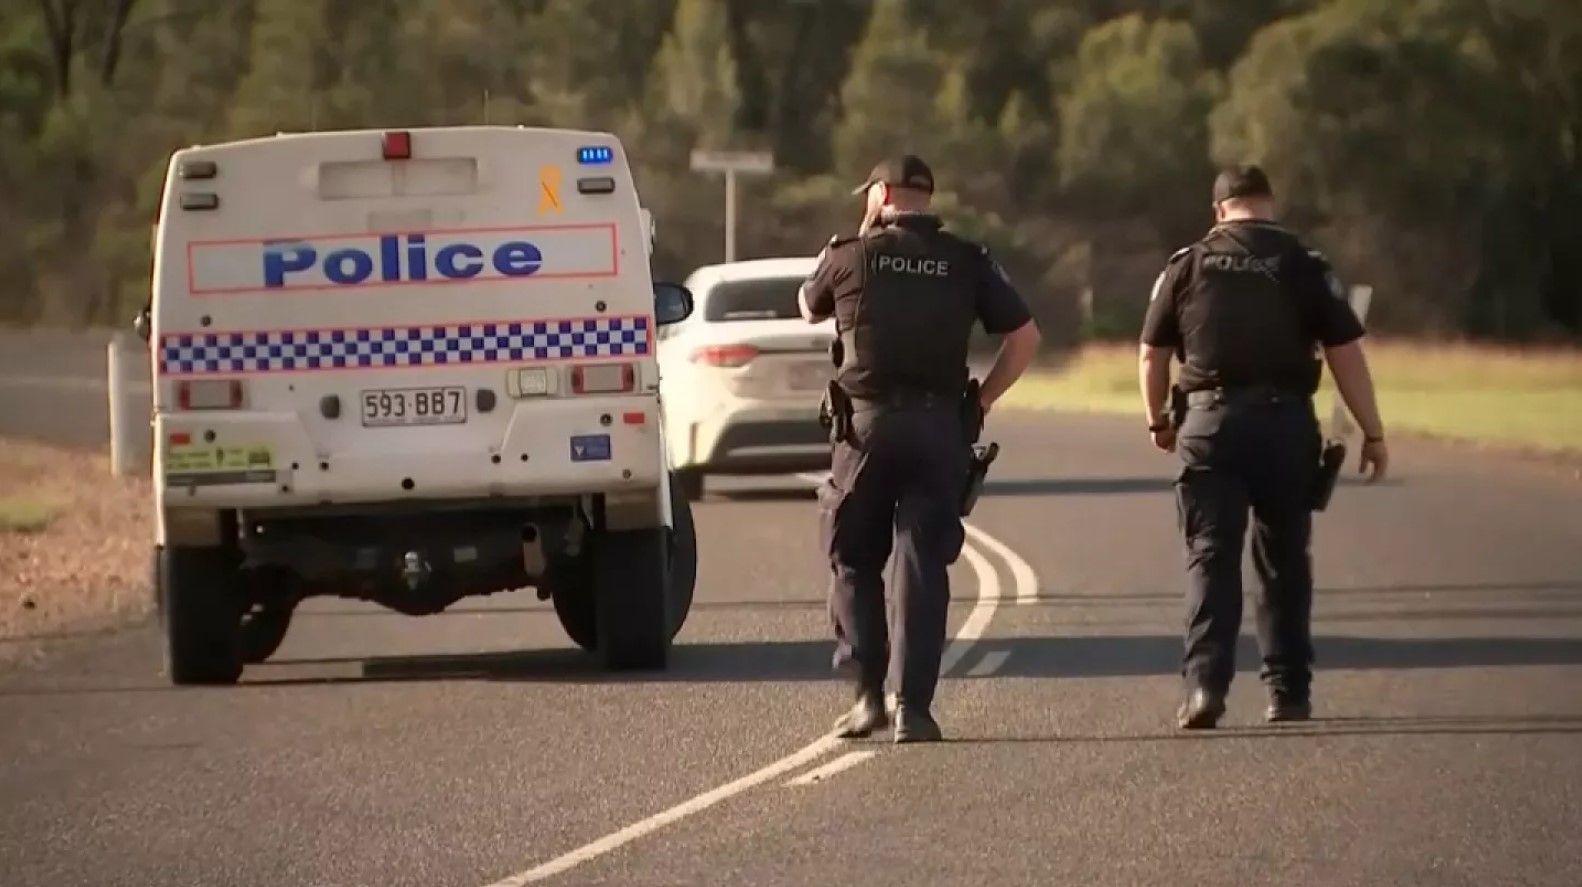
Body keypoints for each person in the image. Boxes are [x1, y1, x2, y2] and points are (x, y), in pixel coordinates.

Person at [798, 154, 1041, 743]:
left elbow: (808, 306)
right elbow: (1025, 338)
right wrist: (979, 402)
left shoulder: (849, 254)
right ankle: (914, 709)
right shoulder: (967, 260)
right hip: (939, 430)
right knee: (921, 563)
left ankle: (865, 700)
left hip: (867, 432)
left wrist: (858, 238)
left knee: (854, 558)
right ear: (928, 199)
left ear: (880, 195)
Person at [1139, 165, 1389, 729]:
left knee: (1211, 555)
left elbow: (1152, 351)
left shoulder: (1187, 264)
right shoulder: (1305, 263)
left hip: (1209, 425)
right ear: (1269, 205)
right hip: (1284, 427)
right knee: (1283, 561)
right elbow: (1346, 353)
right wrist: (1371, 433)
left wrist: (1158, 420)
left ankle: (1204, 688)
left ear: (1219, 210)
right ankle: (1288, 692)